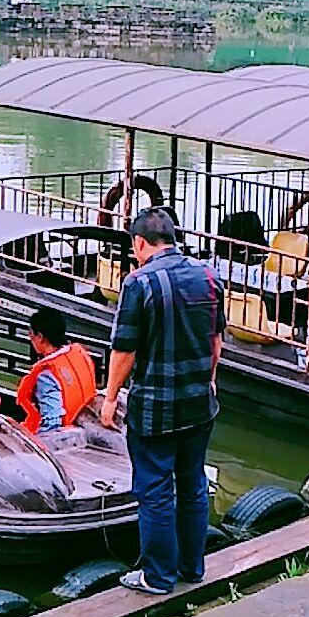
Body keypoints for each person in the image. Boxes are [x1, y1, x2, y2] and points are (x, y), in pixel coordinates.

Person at [102, 208, 225, 595]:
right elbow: (216, 340)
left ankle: (157, 577)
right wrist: (210, 380)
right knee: (192, 484)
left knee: (154, 490)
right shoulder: (208, 275)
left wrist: (109, 400)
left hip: (156, 407)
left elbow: (124, 351)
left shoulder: (138, 283)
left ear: (139, 243)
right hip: (199, 403)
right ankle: (192, 568)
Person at [15, 307, 98, 435]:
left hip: (66, 440)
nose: (30, 337)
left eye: (31, 333)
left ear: (40, 337)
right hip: (88, 428)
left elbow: (52, 424)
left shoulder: (46, 375)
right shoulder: (80, 355)